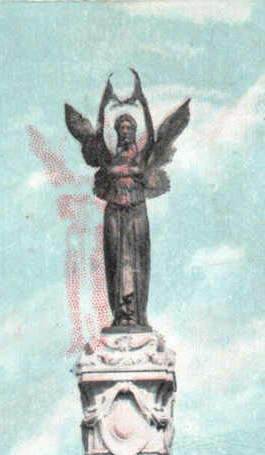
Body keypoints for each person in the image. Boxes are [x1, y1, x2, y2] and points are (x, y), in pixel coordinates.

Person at [65, 70, 190, 331]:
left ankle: (137, 315)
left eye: (128, 128)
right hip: (113, 212)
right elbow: (96, 134)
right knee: (114, 260)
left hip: (136, 212)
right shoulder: (108, 158)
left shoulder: (142, 159)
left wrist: (142, 100)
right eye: (120, 127)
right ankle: (119, 316)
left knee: (137, 261)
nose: (124, 131)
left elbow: (156, 136)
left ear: (134, 131)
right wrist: (103, 102)